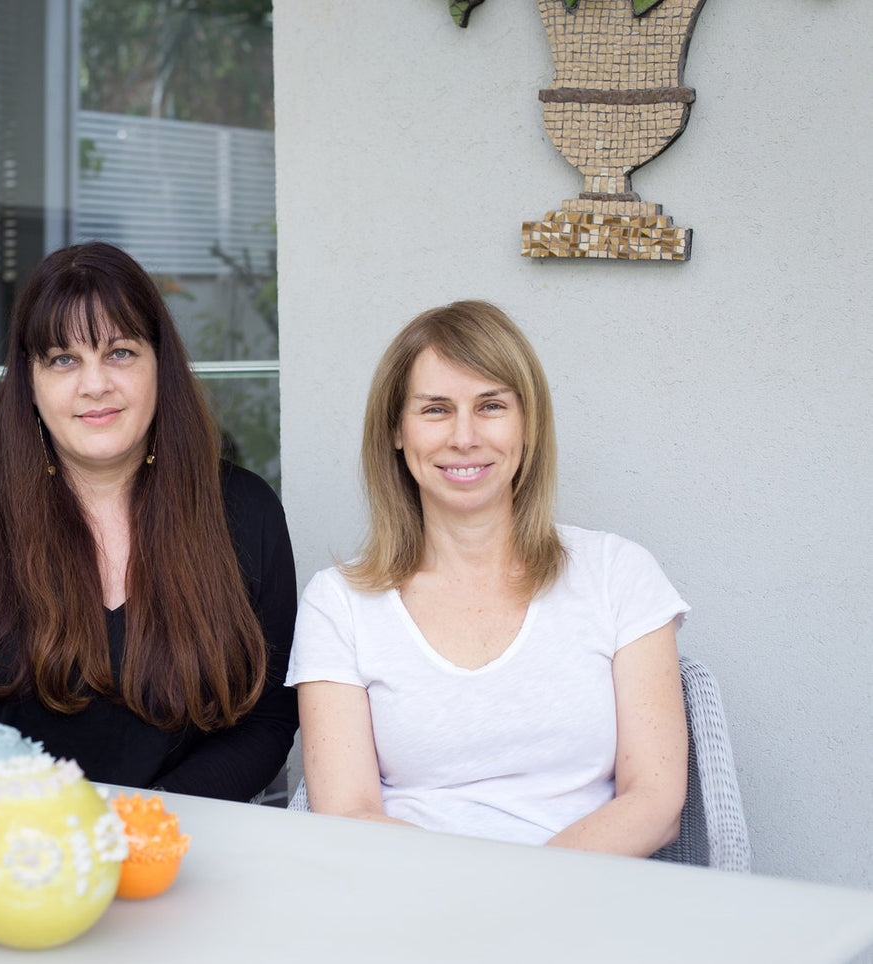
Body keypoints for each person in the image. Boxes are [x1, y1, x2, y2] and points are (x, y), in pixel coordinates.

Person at [0, 241, 297, 801]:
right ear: (29, 380)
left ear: (159, 367)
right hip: (9, 854)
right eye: (63, 359)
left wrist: (141, 822)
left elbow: (268, 718)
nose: (95, 384)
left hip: (188, 844)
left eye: (120, 352)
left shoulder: (245, 511)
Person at [288, 301, 688, 855]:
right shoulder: (340, 602)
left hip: (584, 895)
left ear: (528, 425)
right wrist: (466, 904)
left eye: (491, 405)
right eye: (435, 410)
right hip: (409, 897)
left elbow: (656, 800)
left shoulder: (619, 574)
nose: (465, 437)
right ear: (396, 432)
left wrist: (528, 894)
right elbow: (348, 812)